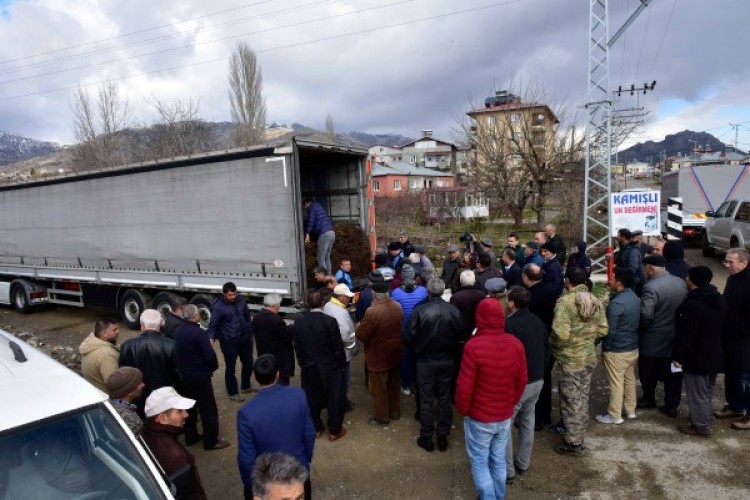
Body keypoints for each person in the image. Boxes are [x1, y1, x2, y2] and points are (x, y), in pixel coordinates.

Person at [456, 298, 527, 499]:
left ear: (479, 318)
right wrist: (510, 402)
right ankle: (498, 495)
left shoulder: (473, 347)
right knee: (497, 459)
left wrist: (464, 410)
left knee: (479, 461)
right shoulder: (515, 344)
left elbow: (464, 387)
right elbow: (521, 380)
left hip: (479, 416)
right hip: (503, 414)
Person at [238, 355, 317, 500]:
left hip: (269, 482)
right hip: (298, 471)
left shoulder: (246, 413)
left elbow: (246, 458)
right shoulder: (298, 395)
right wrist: (305, 459)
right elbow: (309, 433)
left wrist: (251, 487)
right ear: (278, 374)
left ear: (254, 376)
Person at [551, 268, 608, 456]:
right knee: (582, 396)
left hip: (570, 359)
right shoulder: (595, 301)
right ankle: (579, 431)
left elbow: (560, 334)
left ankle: (574, 443)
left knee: (570, 400)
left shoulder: (565, 302)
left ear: (567, 281)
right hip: (589, 356)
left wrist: (556, 344)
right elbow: (602, 330)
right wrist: (586, 339)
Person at [403, 278, 462, 452]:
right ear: (442, 291)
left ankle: (427, 436)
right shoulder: (453, 311)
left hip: (425, 361)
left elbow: (407, 338)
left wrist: (417, 348)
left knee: (426, 399)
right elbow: (461, 337)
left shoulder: (420, 310)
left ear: (429, 291)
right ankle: (442, 436)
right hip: (446, 360)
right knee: (444, 399)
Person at [673, 266, 725, 436]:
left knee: (697, 393)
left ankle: (701, 425)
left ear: (692, 280)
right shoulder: (717, 298)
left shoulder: (693, 304)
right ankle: (705, 418)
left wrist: (678, 357)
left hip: (697, 356)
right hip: (715, 352)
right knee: (707, 391)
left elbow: (687, 335)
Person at [504, 286, 547, 482]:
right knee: (527, 421)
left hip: (519, 383)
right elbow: (547, 348)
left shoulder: (511, 325)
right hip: (537, 379)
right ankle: (523, 462)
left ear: (512, 302)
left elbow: (509, 358)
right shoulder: (538, 321)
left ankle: (508, 470)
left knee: (505, 425)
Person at [637, 254, 687, 417]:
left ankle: (649, 398)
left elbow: (646, 314)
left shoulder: (651, 287)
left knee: (647, 371)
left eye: (645, 267)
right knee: (673, 372)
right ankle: (671, 404)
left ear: (650, 268)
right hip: (675, 335)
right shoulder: (680, 282)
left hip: (653, 337)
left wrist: (640, 328)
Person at [175, 304, 229, 450]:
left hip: (186, 376)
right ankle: (211, 441)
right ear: (194, 316)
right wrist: (213, 367)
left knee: (190, 407)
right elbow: (209, 355)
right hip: (200, 376)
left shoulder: (178, 331)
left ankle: (190, 437)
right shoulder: (198, 333)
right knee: (208, 409)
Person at [296, 290, 348, 440]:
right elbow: (337, 347)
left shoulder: (299, 323)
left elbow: (298, 347)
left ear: (308, 305)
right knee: (335, 398)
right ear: (323, 304)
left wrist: (303, 364)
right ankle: (334, 430)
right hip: (330, 367)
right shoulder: (330, 321)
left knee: (312, 397)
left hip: (309, 366)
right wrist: (341, 364)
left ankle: (316, 427)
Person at [141, 387, 207, 500]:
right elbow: (187, 493)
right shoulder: (174, 455)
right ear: (162, 418)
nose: (186, 414)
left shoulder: (147, 431)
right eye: (179, 411)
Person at [355, 278, 404, 425]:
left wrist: (358, 326)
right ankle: (395, 412)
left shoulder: (372, 311)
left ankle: (382, 417)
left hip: (378, 355)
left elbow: (362, 335)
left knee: (379, 388)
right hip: (395, 352)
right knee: (394, 385)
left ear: (375, 294)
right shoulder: (397, 306)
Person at [596, 268, 640, 425]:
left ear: (619, 283)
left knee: (616, 383)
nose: (610, 280)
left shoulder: (616, 304)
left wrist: (605, 347)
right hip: (632, 348)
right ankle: (630, 410)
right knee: (629, 379)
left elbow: (610, 330)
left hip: (617, 350)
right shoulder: (635, 298)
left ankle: (614, 414)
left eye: (613, 278)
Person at [119, 309, 181, 416]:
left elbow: (123, 374)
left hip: (138, 398)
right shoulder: (172, 345)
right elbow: (179, 375)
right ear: (161, 324)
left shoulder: (127, 346)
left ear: (142, 325)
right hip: (165, 398)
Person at [716, 248, 750, 430]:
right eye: (725, 261)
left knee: (745, 376)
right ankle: (735, 406)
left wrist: (739, 329)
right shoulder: (732, 279)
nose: (726, 265)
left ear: (744, 263)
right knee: (732, 374)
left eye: (731, 262)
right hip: (729, 336)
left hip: (743, 339)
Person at [522, 263, 558, 430]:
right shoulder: (552, 292)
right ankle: (545, 415)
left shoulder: (527, 296)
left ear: (526, 277)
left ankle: (534, 420)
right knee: (546, 379)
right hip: (548, 341)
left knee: (533, 380)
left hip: (533, 342)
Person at [207, 282, 254, 401]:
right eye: (230, 295)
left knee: (249, 363)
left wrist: (249, 331)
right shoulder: (218, 307)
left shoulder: (241, 301)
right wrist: (211, 337)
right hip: (229, 342)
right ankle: (233, 392)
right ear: (224, 294)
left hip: (245, 339)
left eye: (234, 294)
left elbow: (247, 317)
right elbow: (213, 325)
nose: (233, 297)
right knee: (230, 368)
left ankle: (245, 386)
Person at [390, 264, 428, 396]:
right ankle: (418, 385)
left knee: (405, 359)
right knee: (419, 359)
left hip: (404, 330)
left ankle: (406, 386)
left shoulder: (395, 293)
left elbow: (393, 314)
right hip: (420, 331)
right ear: (414, 276)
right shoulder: (423, 291)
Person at [449, 270, 487, 398]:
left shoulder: (456, 297)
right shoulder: (482, 295)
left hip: (461, 336)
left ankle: (457, 393)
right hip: (478, 334)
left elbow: (452, 318)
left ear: (460, 282)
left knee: (460, 365)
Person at [323, 284, 358, 410]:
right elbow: (344, 335)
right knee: (344, 379)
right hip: (343, 352)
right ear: (341, 297)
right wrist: (352, 347)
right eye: (347, 297)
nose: (349, 299)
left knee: (335, 378)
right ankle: (342, 403)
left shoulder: (328, 305)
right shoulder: (340, 312)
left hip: (331, 351)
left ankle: (335, 400)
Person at [252, 293, 295, 386]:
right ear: (275, 305)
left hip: (264, 356)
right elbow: (287, 335)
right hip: (278, 359)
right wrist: (291, 327)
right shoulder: (276, 320)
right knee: (281, 383)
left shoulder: (256, 318)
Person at [79, 316, 120, 392]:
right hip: (105, 396)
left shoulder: (90, 343)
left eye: (117, 328)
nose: (118, 331)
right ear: (104, 334)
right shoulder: (106, 354)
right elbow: (113, 383)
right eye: (114, 330)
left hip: (93, 390)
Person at [106, 366, 145, 435]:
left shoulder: (106, 406)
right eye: (139, 384)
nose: (143, 385)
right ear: (129, 392)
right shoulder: (133, 422)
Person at [304, 197, 336, 275]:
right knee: (327, 257)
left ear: (308, 203)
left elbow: (311, 221)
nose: (305, 208)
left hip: (324, 234)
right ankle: (329, 276)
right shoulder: (320, 208)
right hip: (332, 233)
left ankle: (324, 278)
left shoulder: (312, 208)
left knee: (320, 258)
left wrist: (307, 234)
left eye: (305, 205)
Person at [615, 228, 645, 294]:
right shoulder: (624, 248)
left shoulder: (633, 250)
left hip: (633, 283)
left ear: (623, 237)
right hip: (626, 281)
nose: (617, 237)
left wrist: (616, 269)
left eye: (618, 235)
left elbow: (632, 269)